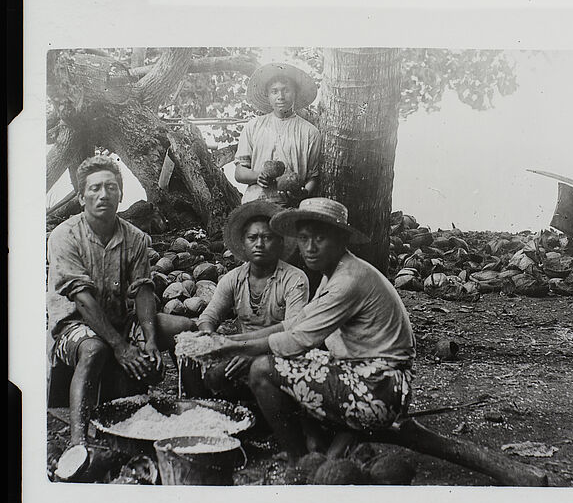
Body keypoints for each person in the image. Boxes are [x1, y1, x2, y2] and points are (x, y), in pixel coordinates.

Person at [210, 197, 416, 464]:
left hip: (381, 388)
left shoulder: (348, 281)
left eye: (319, 238)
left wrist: (235, 348)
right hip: (362, 370)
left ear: (341, 240)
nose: (309, 248)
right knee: (283, 360)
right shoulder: (334, 273)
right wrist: (229, 339)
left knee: (263, 368)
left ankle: (300, 460)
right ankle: (316, 439)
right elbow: (294, 324)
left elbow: (298, 340)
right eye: (304, 238)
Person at [46, 155, 196, 449]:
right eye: (95, 188)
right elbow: (83, 299)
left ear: (121, 194)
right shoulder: (64, 236)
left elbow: (142, 290)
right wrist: (121, 347)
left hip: (120, 320)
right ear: (80, 197)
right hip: (74, 323)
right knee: (93, 349)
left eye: (111, 187)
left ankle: (195, 411)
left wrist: (150, 339)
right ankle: (79, 443)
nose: (103, 194)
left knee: (185, 327)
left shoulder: (136, 238)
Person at [180, 200, 309, 401]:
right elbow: (209, 316)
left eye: (267, 237)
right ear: (243, 243)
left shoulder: (294, 279)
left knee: (242, 374)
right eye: (253, 238)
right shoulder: (233, 278)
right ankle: (205, 410)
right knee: (195, 358)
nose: (259, 244)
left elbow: (293, 329)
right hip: (239, 350)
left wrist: (253, 353)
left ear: (280, 242)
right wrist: (208, 336)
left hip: (277, 352)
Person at [234, 63, 321, 207]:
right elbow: (239, 172)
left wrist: (302, 194)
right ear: (268, 96)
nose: (280, 96)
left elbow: (313, 177)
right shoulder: (253, 126)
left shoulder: (310, 132)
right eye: (274, 91)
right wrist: (258, 176)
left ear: (295, 93)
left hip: (291, 207)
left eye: (286, 90)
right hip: (256, 205)